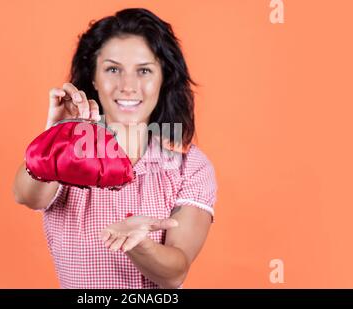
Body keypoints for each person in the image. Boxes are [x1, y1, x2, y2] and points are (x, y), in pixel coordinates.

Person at [12, 8, 217, 289]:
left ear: (163, 78)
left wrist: (138, 244)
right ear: (94, 78)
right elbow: (26, 195)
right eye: (113, 69)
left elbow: (174, 272)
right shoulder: (70, 156)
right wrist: (55, 140)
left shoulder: (190, 167)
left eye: (144, 70)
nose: (128, 86)